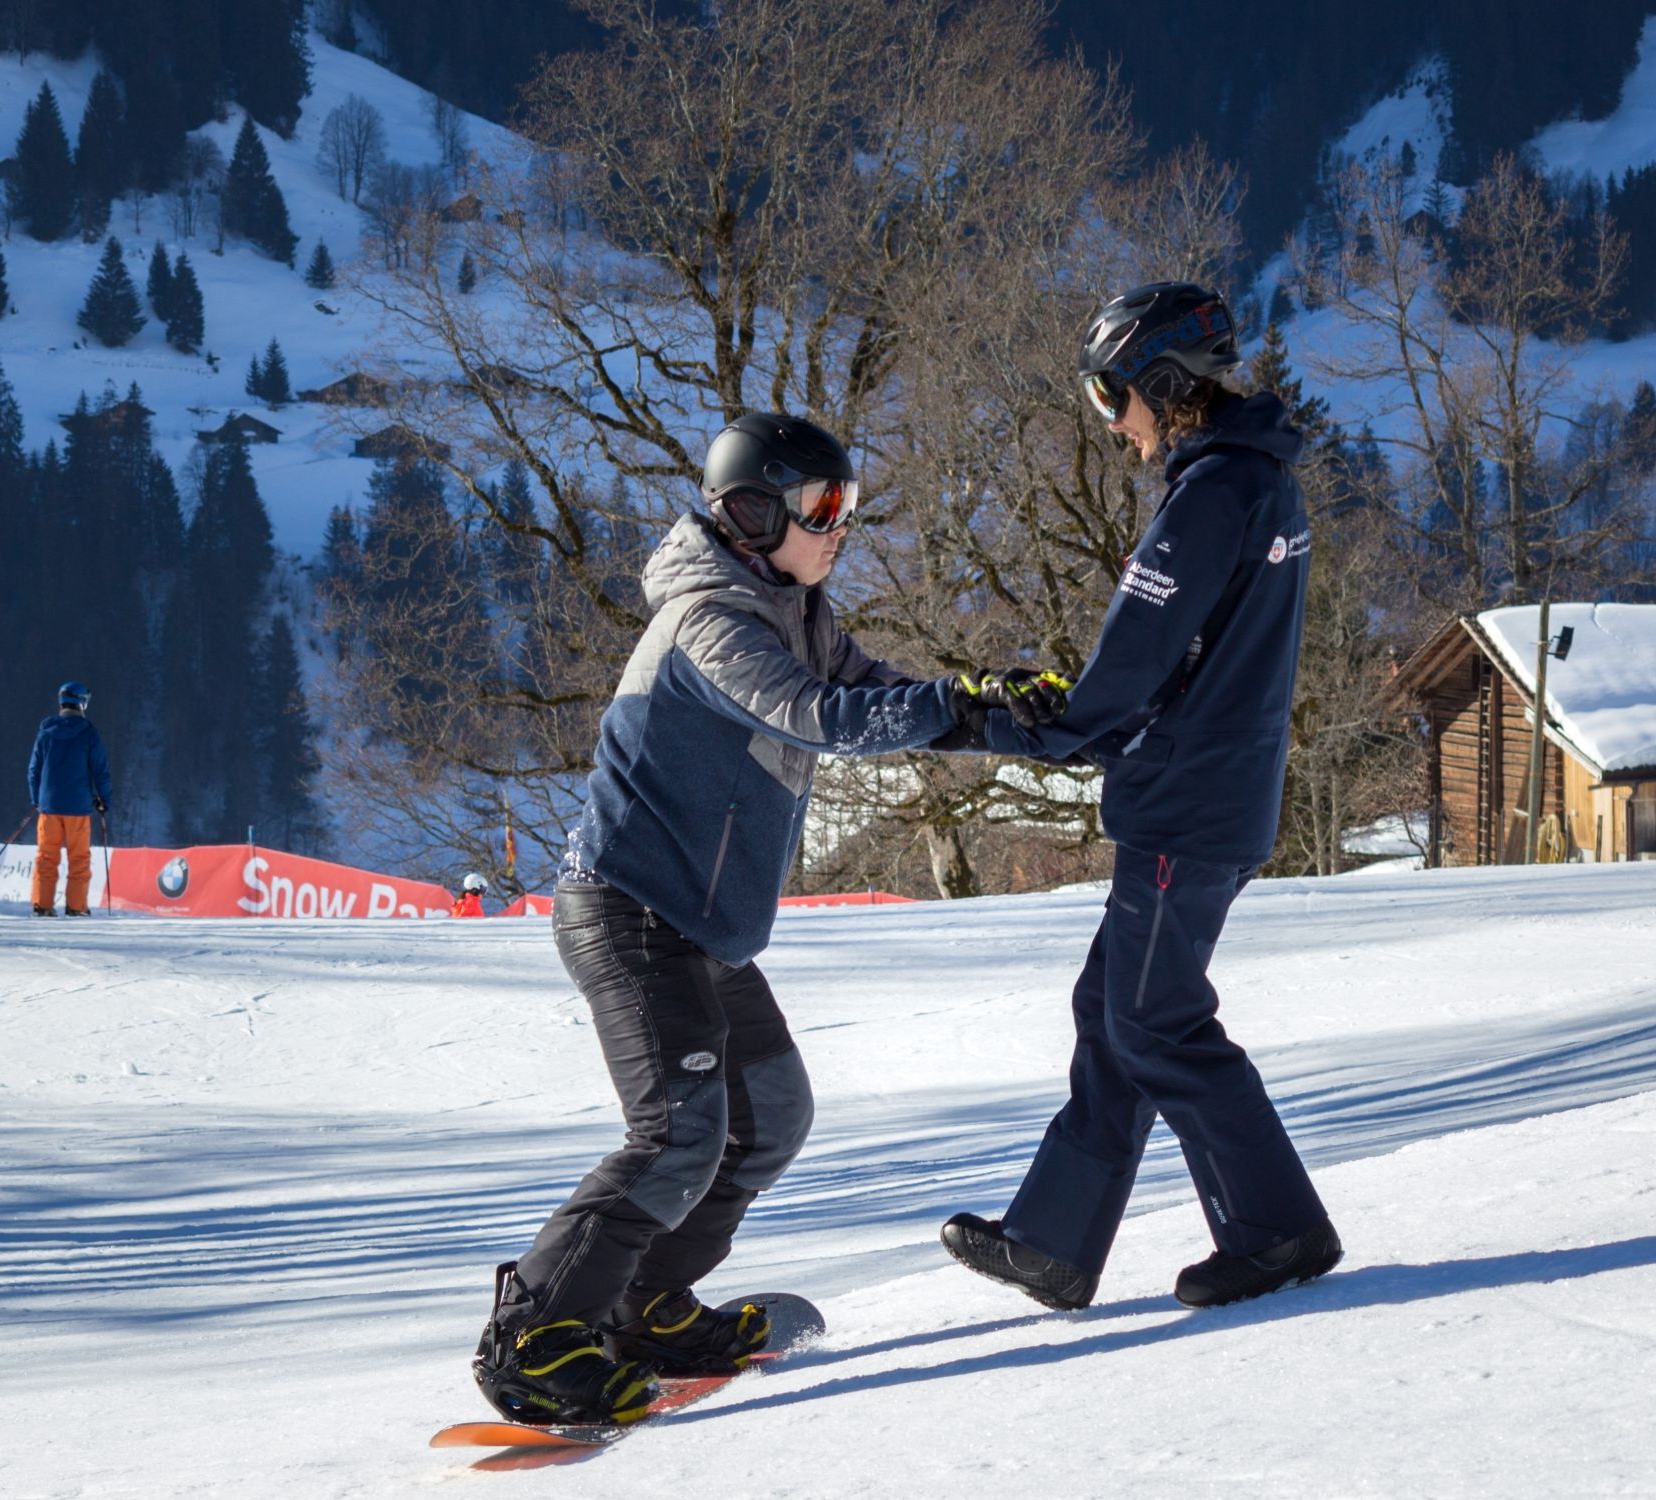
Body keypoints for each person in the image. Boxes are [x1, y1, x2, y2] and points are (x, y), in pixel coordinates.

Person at [470, 412, 1064, 1427]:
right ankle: (530, 1334)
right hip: (629, 909)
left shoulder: (796, 607)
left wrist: (1017, 716)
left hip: (701, 926)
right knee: (677, 1135)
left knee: (769, 1119)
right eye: (822, 508)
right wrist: (954, 705)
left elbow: (882, 694)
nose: (840, 528)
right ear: (751, 512)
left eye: (849, 507)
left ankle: (642, 1304)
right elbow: (820, 718)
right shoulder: (708, 618)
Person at [938, 282, 1341, 1314]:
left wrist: (1030, 723)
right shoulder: (1254, 483)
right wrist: (1089, 722)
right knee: (1112, 1011)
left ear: (1162, 382)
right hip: (1202, 788)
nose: (1110, 421)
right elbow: (1183, 661)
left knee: (1153, 1020)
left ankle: (1276, 1230)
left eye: (1109, 393)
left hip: (1184, 803)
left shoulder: (1212, 494)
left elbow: (1136, 657)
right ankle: (1054, 1241)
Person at [27, 680, 112, 917]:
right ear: (82, 703)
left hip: (49, 806)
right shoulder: (88, 733)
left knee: (46, 857)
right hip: (77, 806)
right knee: (79, 859)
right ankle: (76, 907)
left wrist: (37, 799)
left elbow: (34, 769)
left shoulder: (46, 731)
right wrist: (104, 799)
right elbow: (100, 770)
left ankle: (42, 905)